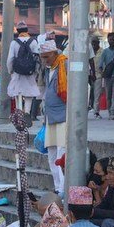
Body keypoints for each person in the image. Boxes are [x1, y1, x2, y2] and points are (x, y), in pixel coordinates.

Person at [39, 38, 69, 194]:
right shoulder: (48, 68)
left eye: (46, 57)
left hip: (63, 115)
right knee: (51, 153)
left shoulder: (65, 64)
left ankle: (63, 188)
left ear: (54, 53)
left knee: (61, 153)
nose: (44, 60)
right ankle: (57, 186)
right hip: (50, 116)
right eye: (42, 57)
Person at [8, 22, 42, 114]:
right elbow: (37, 58)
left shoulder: (14, 43)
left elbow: (10, 58)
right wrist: (36, 71)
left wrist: (10, 70)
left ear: (17, 31)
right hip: (30, 72)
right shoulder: (34, 41)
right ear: (27, 30)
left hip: (17, 72)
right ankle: (27, 112)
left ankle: (19, 112)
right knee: (29, 93)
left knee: (17, 92)